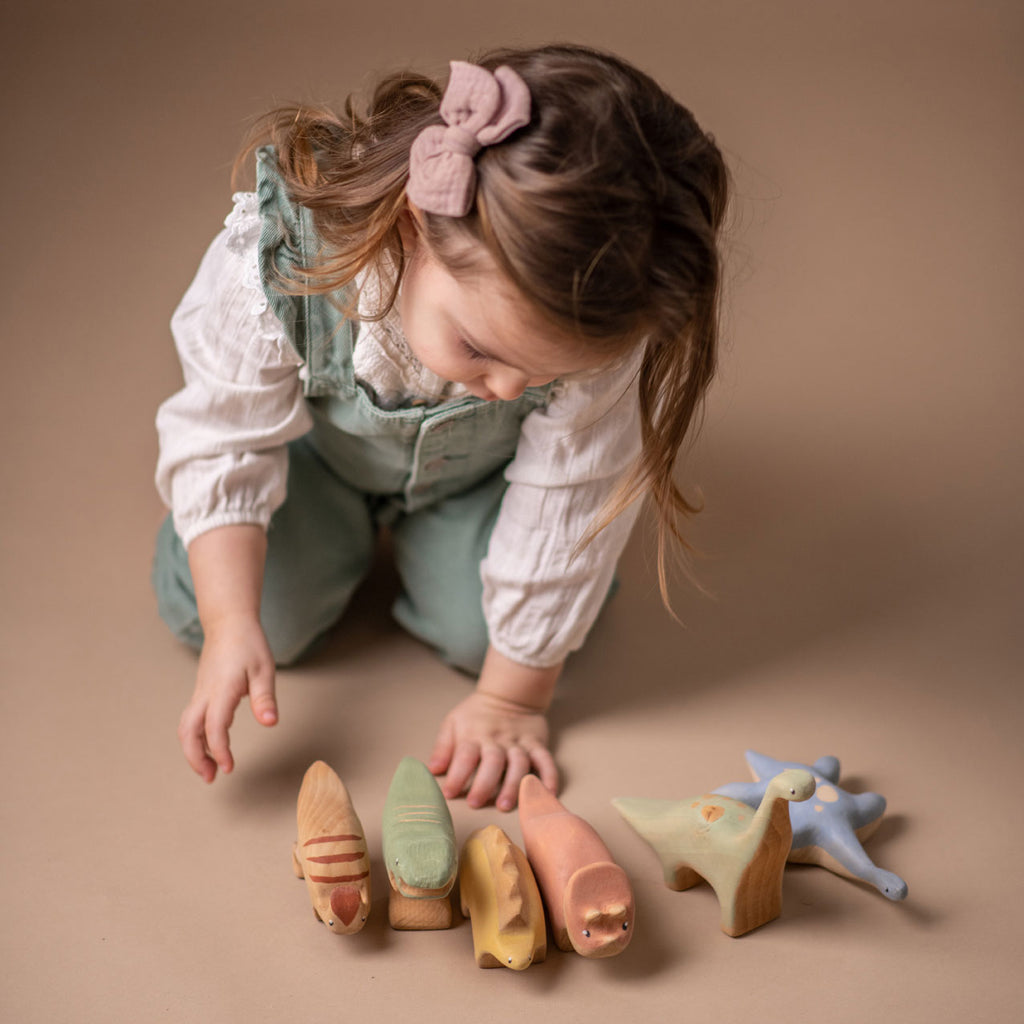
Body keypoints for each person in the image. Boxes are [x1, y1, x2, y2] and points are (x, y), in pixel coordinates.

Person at [153, 44, 728, 811]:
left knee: (490, 641)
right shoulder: (286, 257)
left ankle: (447, 559)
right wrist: (230, 621)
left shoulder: (597, 327)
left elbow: (569, 499)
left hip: (478, 478)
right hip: (316, 461)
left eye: (546, 375)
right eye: (481, 351)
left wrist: (512, 702)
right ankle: (258, 579)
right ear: (413, 224)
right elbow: (224, 434)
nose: (512, 388)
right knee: (261, 620)